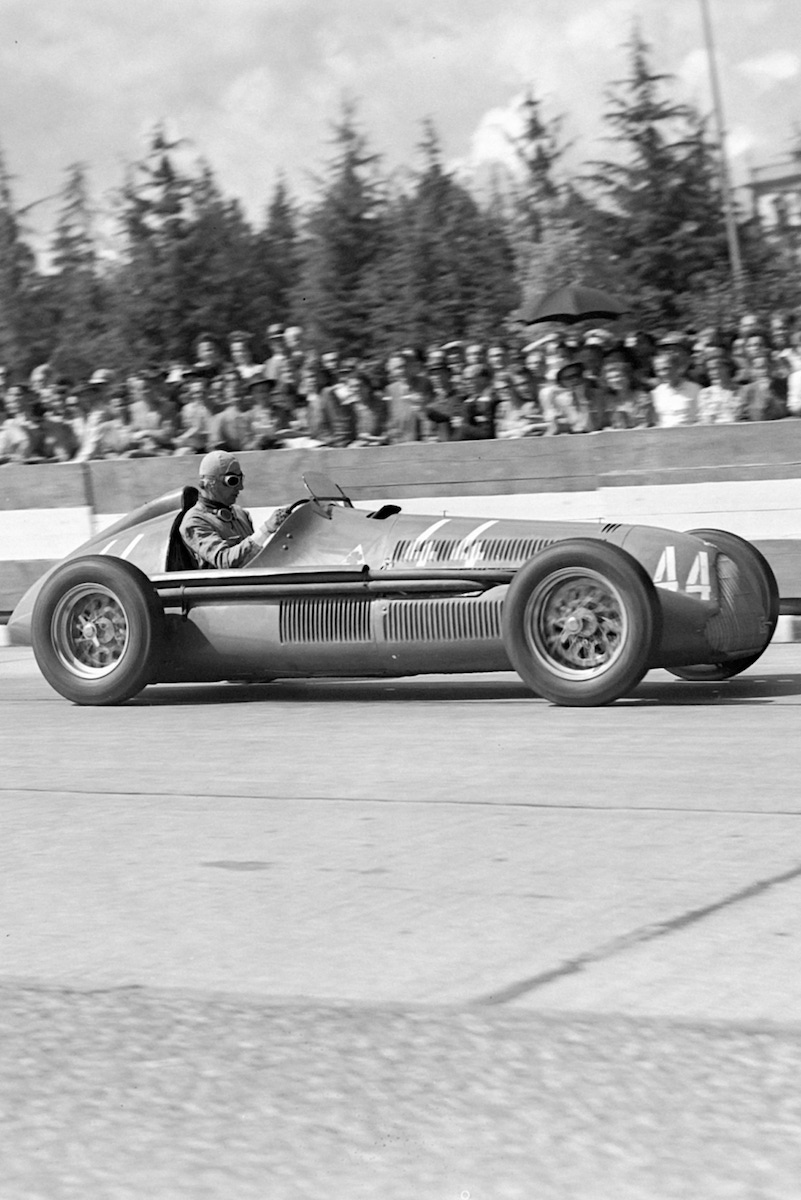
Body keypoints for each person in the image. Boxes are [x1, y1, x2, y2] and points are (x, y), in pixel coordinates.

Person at [180, 450, 290, 569]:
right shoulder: (194, 522)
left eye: (240, 479)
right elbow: (224, 560)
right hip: (222, 586)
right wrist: (266, 530)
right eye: (232, 481)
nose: (240, 487)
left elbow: (255, 556)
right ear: (211, 483)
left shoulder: (240, 514)